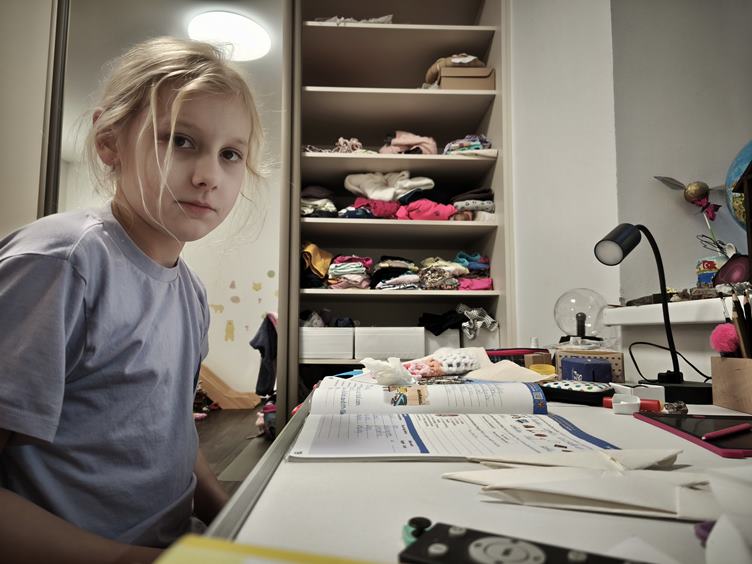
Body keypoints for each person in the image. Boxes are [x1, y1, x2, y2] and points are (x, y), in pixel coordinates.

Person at [0, 36, 263, 563]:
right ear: (109, 142)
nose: (209, 176)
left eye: (230, 154)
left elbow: (174, 439)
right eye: (180, 141)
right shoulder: (62, 263)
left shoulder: (189, 291)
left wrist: (237, 529)